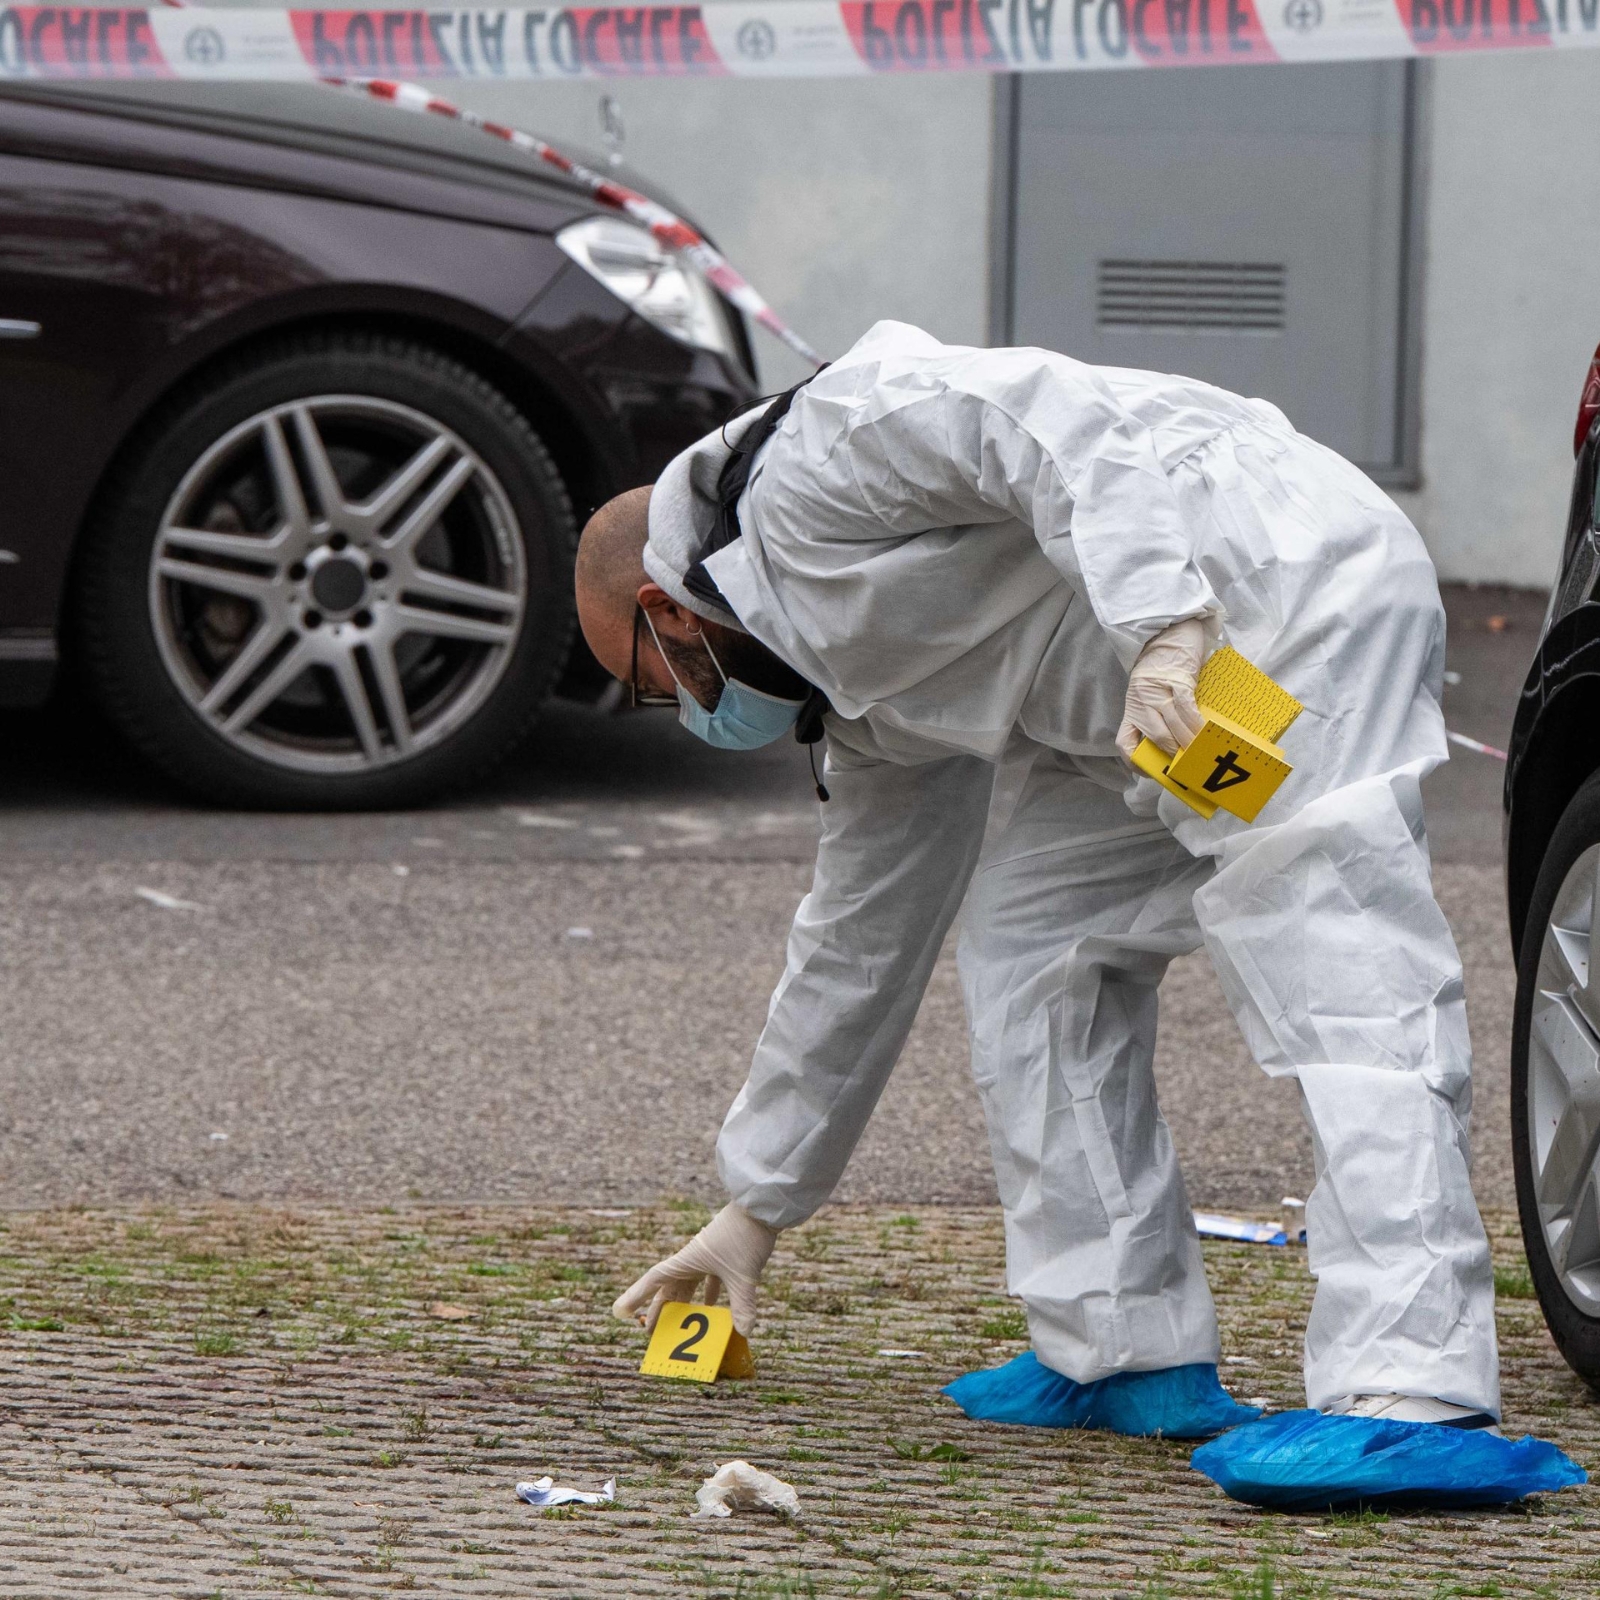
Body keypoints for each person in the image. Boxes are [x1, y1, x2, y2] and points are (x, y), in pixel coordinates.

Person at [575, 320, 1509, 1467]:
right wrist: (753, 1209)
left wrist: (1164, 627)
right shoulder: (854, 695)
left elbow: (1049, 419)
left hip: (1272, 587)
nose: (686, 710)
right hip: (1133, 697)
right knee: (1031, 949)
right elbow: (858, 946)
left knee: (1334, 954)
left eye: (653, 683)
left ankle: (1414, 1393)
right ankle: (1120, 1344)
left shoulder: (828, 449)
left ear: (668, 609)